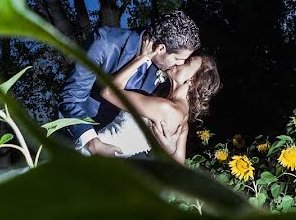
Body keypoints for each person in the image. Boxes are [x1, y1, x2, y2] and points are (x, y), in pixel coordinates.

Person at [58, 11, 201, 157]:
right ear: (161, 48)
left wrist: (169, 148)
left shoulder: (169, 72)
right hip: (79, 140)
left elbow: (172, 114)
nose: (180, 64)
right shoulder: (105, 43)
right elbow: (71, 97)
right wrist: (91, 142)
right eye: (178, 58)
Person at [96, 36, 221, 163]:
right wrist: (170, 150)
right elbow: (179, 163)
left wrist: (142, 58)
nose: (180, 61)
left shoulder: (167, 109)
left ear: (193, 81)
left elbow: (109, 92)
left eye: (187, 62)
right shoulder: (183, 119)